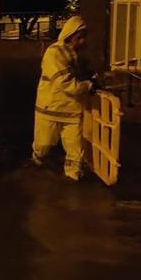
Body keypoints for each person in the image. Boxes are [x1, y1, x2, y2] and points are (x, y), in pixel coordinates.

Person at [32, 16, 94, 181]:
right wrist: (88, 86)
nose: (82, 41)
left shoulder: (77, 55)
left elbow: (83, 75)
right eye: (79, 37)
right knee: (43, 145)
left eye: (84, 37)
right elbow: (66, 83)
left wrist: (92, 79)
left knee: (75, 149)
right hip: (50, 108)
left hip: (72, 110)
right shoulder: (54, 53)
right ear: (69, 34)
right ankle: (37, 159)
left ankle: (74, 177)